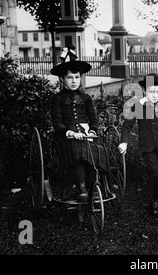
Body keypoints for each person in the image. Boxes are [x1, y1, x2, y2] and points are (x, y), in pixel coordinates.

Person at [48, 45, 108, 212]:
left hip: (86, 133)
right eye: (69, 78)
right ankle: (82, 189)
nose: (74, 81)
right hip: (66, 136)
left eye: (76, 77)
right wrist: (69, 132)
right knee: (78, 149)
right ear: (62, 79)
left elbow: (93, 119)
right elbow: (57, 122)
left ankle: (93, 189)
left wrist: (92, 130)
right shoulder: (57, 99)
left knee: (95, 149)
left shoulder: (86, 97)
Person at [118, 73, 158, 216]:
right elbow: (127, 126)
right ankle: (155, 199)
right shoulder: (138, 106)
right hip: (148, 148)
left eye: (157, 92)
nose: (154, 95)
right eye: (151, 92)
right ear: (144, 91)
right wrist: (124, 143)